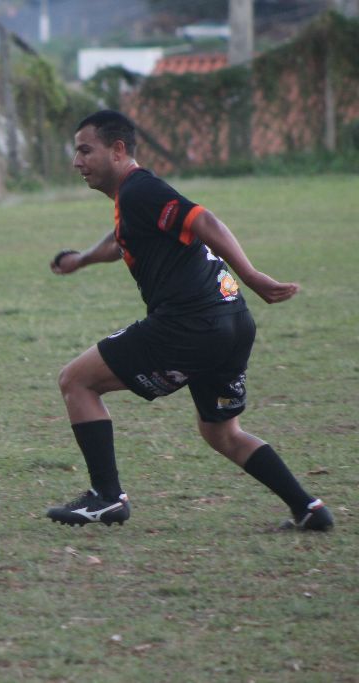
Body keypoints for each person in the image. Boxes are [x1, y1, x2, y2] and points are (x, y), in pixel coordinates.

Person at [45, 109, 332, 532]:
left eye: (86, 150)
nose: (77, 162)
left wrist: (252, 275)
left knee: (76, 381)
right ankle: (309, 509)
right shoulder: (134, 199)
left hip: (190, 324)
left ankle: (107, 498)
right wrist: (82, 259)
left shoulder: (140, 190)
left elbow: (203, 220)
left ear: (118, 150)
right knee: (222, 433)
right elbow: (122, 241)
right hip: (232, 320)